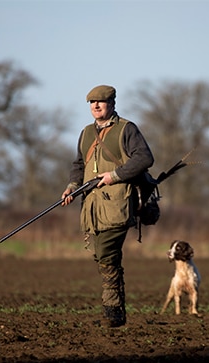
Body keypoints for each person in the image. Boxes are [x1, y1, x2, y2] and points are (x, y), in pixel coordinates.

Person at [61, 85, 154, 327]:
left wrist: (115, 175)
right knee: (103, 256)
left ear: (112, 103)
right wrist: (72, 186)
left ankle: (113, 314)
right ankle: (116, 314)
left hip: (118, 203)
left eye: (101, 102)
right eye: (92, 102)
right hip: (92, 207)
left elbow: (145, 158)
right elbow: (79, 164)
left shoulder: (126, 129)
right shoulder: (85, 133)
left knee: (106, 253)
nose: (96, 106)